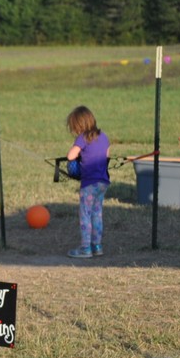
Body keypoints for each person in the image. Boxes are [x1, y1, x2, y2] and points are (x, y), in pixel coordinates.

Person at [64, 105, 110, 258]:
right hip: (103, 182)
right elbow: (107, 155)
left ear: (80, 125)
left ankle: (85, 249)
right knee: (97, 214)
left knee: (85, 215)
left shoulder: (83, 138)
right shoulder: (104, 136)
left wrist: (75, 149)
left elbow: (71, 156)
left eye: (74, 127)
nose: (75, 131)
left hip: (89, 184)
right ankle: (97, 246)